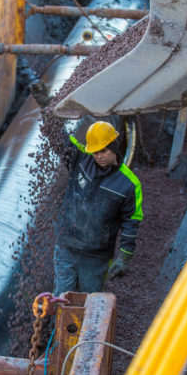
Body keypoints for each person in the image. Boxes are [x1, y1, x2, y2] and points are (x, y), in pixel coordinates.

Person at [54, 120, 143, 295]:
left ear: (114, 147)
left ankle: (84, 324)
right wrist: (47, 110)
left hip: (96, 256)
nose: (98, 156)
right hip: (66, 247)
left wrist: (125, 256)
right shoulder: (80, 160)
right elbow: (60, 139)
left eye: (103, 151)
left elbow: (131, 221)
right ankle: (60, 323)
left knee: (89, 300)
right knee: (63, 298)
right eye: (95, 152)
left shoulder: (129, 184)